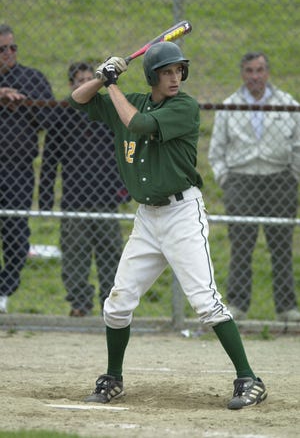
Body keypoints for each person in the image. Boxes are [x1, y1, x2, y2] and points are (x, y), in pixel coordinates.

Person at [68, 42, 267, 410]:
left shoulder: (184, 107)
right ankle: (113, 377)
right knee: (117, 304)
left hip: (181, 215)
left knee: (206, 303)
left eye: (179, 71)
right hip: (147, 218)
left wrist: (112, 86)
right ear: (151, 76)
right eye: (166, 72)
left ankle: (249, 379)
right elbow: (78, 99)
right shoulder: (131, 101)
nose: (175, 78)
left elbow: (139, 124)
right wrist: (101, 76)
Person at [208, 51, 300, 322]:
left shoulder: (287, 104)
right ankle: (237, 305)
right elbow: (216, 151)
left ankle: (286, 308)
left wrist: (293, 176)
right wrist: (227, 179)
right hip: (241, 181)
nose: (255, 76)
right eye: (249, 71)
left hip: (280, 180)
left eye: (259, 70)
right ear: (242, 74)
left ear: (267, 72)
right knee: (241, 244)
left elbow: (298, 146)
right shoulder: (229, 106)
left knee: (281, 244)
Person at [39, 62, 130, 317]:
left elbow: (124, 152)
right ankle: (79, 303)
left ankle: (108, 303)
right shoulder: (63, 115)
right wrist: (46, 201)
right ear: (72, 85)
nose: (86, 83)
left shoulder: (108, 111)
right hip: (74, 199)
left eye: (92, 79)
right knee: (74, 256)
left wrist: (124, 190)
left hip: (106, 198)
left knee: (111, 253)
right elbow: (49, 162)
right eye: (81, 80)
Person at [0, 23, 54, 313]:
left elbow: (49, 121)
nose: (9, 53)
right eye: (2, 49)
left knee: (16, 234)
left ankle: (4, 288)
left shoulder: (32, 79)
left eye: (13, 47)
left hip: (18, 169)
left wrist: (22, 104)